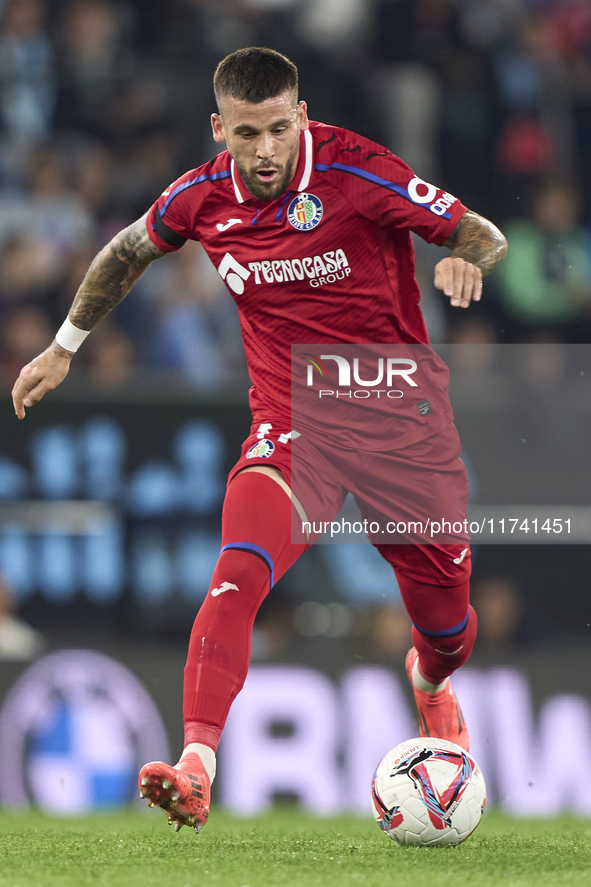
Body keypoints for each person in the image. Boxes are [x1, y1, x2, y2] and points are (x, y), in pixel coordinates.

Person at [11, 47, 507, 833]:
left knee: (446, 628)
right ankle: (197, 764)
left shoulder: (357, 170)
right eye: (248, 133)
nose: (268, 149)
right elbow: (126, 250)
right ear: (220, 129)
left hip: (399, 425)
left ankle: (430, 679)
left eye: (281, 127)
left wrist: (462, 262)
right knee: (237, 570)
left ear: (301, 115)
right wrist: (64, 345)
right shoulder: (200, 197)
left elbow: (480, 232)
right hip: (293, 424)